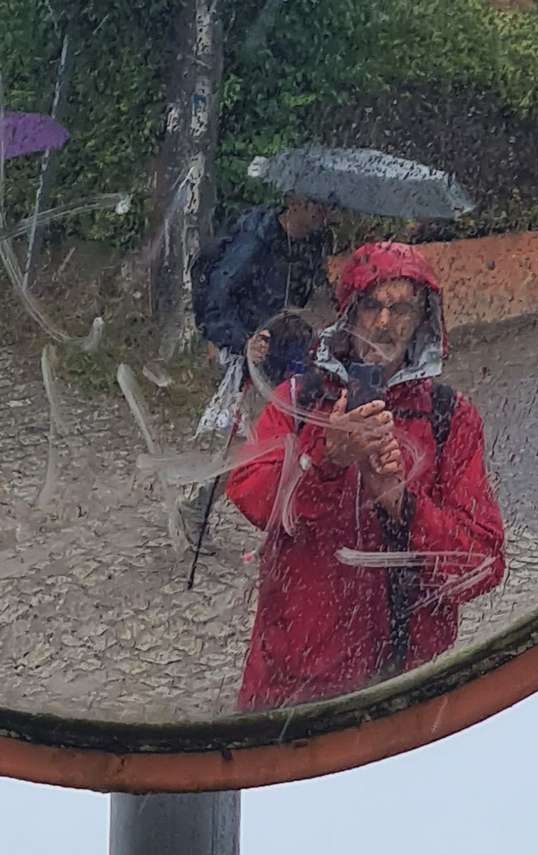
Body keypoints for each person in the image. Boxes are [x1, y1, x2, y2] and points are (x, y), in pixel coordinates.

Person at [223, 242, 505, 709]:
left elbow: (482, 564)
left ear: (423, 319)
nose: (384, 322)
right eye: (372, 305)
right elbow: (250, 496)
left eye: (402, 308)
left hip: (408, 685)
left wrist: (401, 502)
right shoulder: (301, 399)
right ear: (349, 314)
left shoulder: (449, 417)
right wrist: (325, 460)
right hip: (295, 676)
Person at [189, 193, 336, 437]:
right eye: (315, 203)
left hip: (288, 349)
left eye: (329, 205)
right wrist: (242, 340)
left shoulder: (315, 244)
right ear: (293, 202)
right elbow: (217, 297)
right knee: (245, 431)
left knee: (287, 426)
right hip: (250, 350)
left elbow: (309, 297)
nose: (323, 211)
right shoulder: (254, 241)